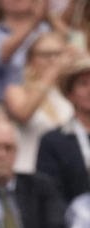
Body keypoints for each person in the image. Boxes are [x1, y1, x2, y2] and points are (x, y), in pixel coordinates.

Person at [0, 0, 67, 116]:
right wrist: (33, 21)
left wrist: (48, 14)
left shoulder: (45, 30)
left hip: (47, 99)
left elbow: (75, 51)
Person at [3, 31, 75, 173]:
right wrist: (51, 74)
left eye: (58, 54)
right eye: (46, 55)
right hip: (29, 169)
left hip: (66, 172)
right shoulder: (16, 90)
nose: (53, 60)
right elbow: (24, 113)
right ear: (30, 59)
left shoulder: (70, 92)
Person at [35, 56, 90, 205]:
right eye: (83, 84)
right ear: (69, 94)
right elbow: (50, 195)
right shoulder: (53, 141)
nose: (89, 90)